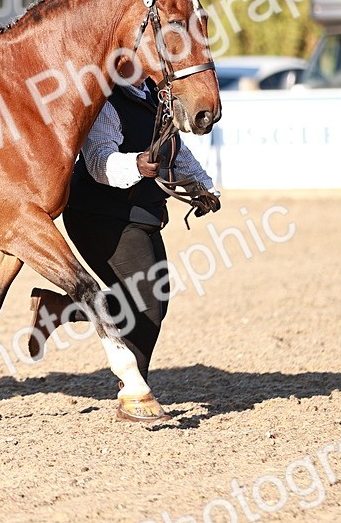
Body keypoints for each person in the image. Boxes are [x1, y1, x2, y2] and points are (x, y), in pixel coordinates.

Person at [27, 64, 220, 422]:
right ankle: (134, 395)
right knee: (148, 303)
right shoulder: (106, 101)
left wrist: (203, 186)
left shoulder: (153, 94)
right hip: (100, 216)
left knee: (152, 302)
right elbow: (98, 159)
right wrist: (136, 164)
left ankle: (60, 308)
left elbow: (175, 150)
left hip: (140, 216)